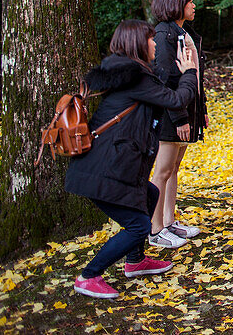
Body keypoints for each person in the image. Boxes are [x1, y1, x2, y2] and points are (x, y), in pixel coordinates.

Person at [65, 19, 198, 299]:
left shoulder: (130, 75)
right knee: (138, 225)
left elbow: (161, 91)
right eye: (150, 39)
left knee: (150, 194)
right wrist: (190, 73)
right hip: (102, 170)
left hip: (111, 165)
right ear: (138, 43)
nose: (154, 43)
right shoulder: (135, 78)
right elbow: (175, 100)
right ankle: (88, 276)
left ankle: (136, 262)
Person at [147, 0, 209, 248]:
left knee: (174, 168)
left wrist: (200, 111)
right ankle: (155, 228)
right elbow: (165, 82)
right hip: (169, 114)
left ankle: (169, 220)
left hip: (188, 111)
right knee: (162, 170)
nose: (193, 5)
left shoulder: (185, 33)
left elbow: (195, 77)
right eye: (189, 1)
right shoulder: (163, 36)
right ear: (176, 4)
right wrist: (180, 118)